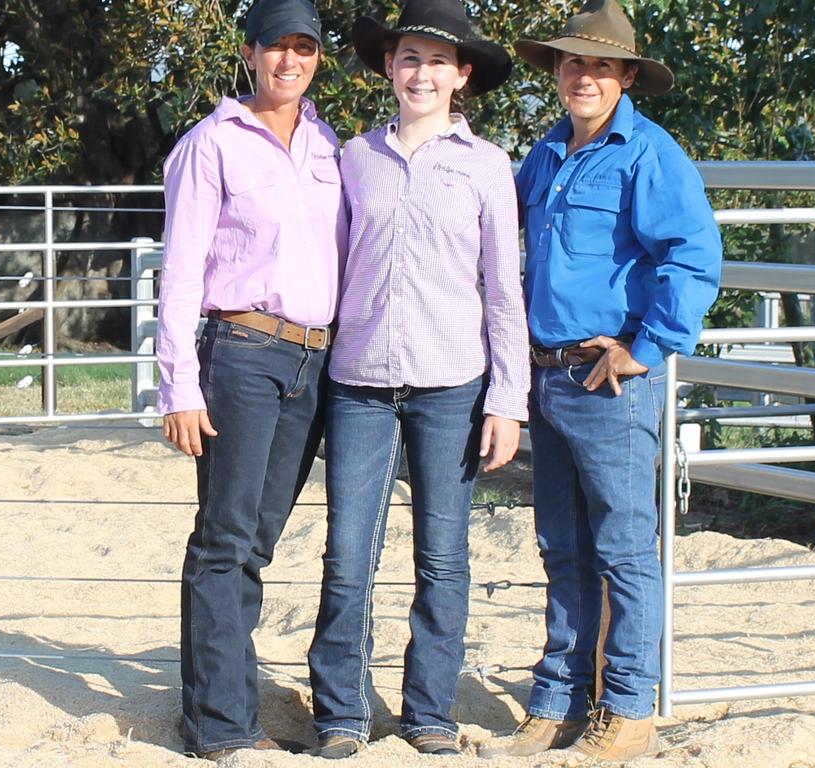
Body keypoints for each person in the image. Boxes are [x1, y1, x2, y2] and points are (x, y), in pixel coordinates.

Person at [477, 0, 722, 762]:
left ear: (625, 79)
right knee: (561, 544)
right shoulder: (546, 154)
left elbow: (693, 254)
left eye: (601, 66)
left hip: (606, 378)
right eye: (573, 62)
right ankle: (557, 698)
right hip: (549, 376)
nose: (585, 76)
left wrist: (645, 346)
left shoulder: (650, 155)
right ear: (557, 72)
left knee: (621, 545)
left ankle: (628, 707)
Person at [306, 0, 530, 759]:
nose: (421, 73)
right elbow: (328, 264)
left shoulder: (487, 166)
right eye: (409, 58)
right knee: (348, 552)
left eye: (438, 61)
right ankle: (340, 711)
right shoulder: (353, 159)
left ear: (461, 75)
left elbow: (503, 291)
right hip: (360, 380)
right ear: (388, 68)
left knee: (442, 555)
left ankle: (429, 709)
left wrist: (508, 398)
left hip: (451, 384)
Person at [154, 0, 347, 758]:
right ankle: (219, 724)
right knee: (225, 537)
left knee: (257, 540)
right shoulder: (212, 145)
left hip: (314, 359)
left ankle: (224, 700)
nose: (289, 61)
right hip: (242, 350)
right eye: (276, 48)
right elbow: (179, 269)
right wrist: (179, 385)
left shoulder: (328, 144)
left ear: (317, 59)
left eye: (304, 48)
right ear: (249, 53)